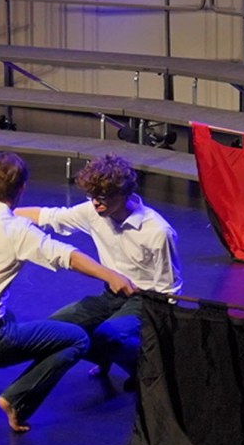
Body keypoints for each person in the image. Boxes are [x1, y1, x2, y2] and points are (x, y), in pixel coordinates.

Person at [0, 152, 138, 432]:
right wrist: (111, 275)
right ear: (22, 188)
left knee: (5, 316)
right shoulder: (16, 231)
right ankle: (18, 400)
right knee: (77, 339)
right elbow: (66, 256)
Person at [17, 154, 181, 391]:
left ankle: (142, 369)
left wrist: (162, 331)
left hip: (144, 300)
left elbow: (169, 289)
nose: (95, 204)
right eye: (92, 196)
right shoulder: (94, 211)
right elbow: (49, 217)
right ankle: (105, 356)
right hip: (111, 293)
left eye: (102, 197)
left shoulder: (157, 231)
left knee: (107, 336)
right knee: (56, 328)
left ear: (123, 193)